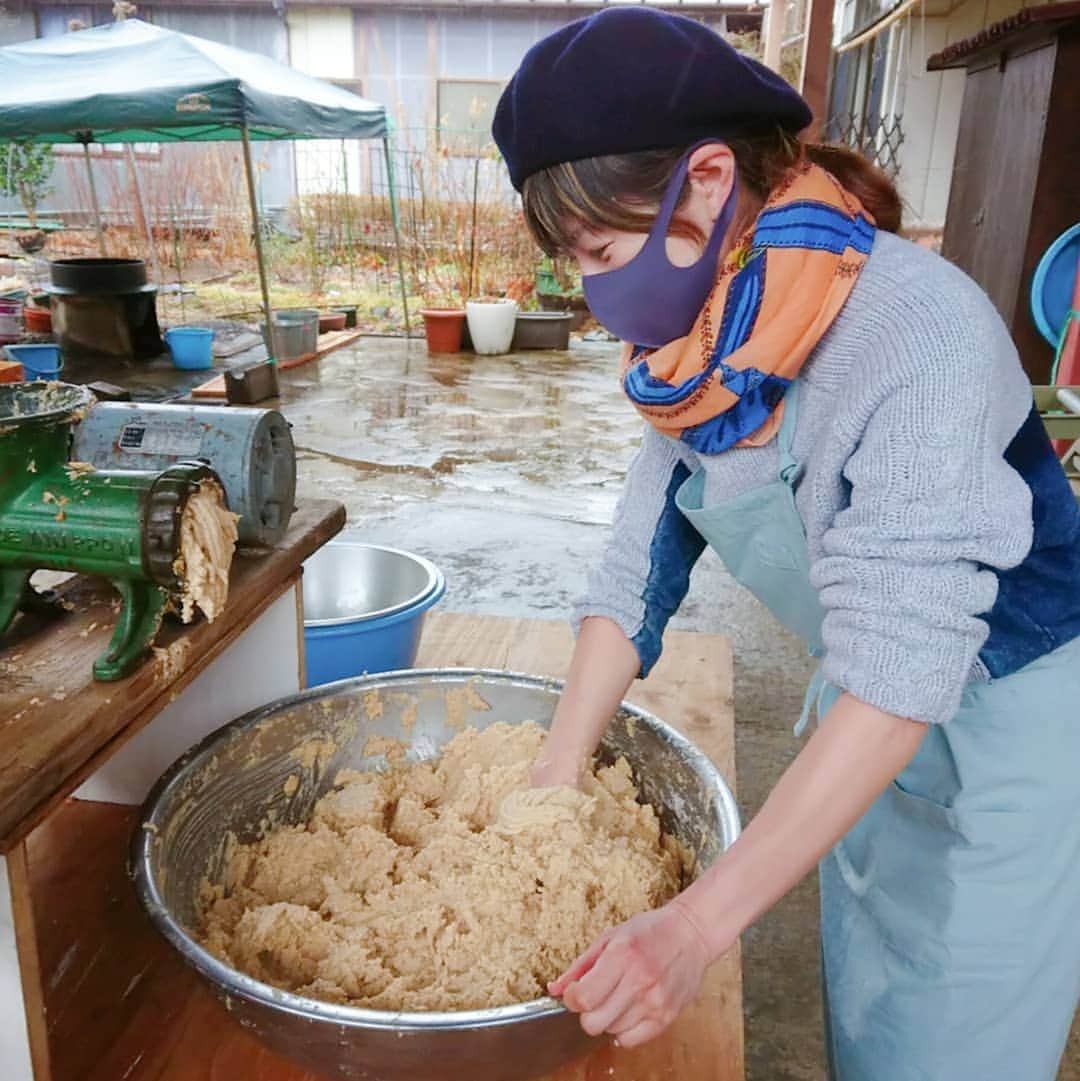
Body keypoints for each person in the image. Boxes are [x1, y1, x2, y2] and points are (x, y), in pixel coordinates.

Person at [491, 8, 1080, 1079]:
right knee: (868, 994)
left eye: (601, 251)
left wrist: (691, 931)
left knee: (950, 1034)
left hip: (1009, 736)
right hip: (856, 718)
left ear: (708, 182)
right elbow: (638, 566)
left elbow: (904, 666)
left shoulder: (919, 336)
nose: (595, 291)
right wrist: (553, 770)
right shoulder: (703, 345)